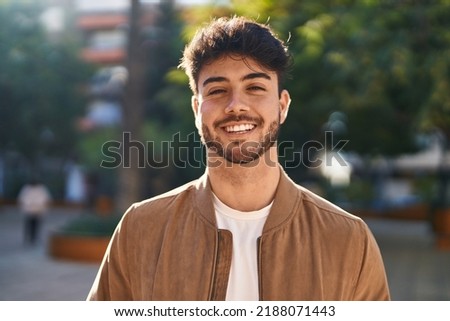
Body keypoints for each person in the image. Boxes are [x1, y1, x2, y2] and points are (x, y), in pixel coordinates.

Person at [87, 16, 390, 301]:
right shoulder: (140, 229)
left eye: (255, 87)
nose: (236, 106)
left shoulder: (349, 240)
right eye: (218, 90)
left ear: (282, 106)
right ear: (196, 109)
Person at [17, 178, 52, 245]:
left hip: (38, 210)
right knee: (28, 225)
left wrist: (43, 207)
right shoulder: (26, 189)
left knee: (37, 225)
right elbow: (22, 199)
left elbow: (46, 199)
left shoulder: (42, 189)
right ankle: (28, 237)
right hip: (29, 210)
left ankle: (35, 237)